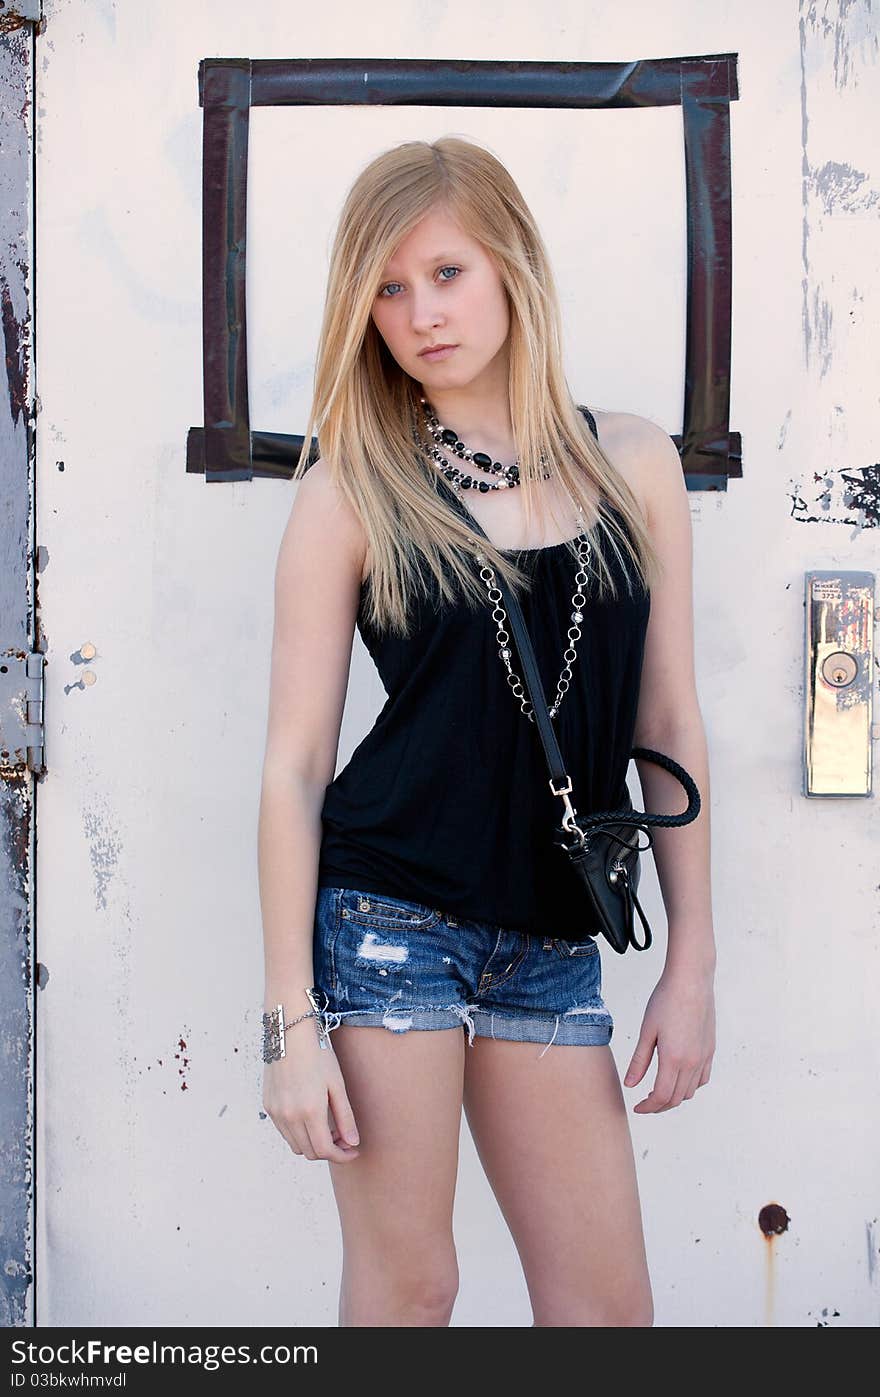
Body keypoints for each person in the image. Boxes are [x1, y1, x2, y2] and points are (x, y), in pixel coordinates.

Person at [258, 135, 716, 1328]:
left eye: (446, 273)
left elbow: (665, 719)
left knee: (604, 1312)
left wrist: (693, 963)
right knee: (413, 1293)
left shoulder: (632, 462)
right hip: (391, 921)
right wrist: (289, 1024)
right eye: (389, 289)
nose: (420, 313)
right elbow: (295, 764)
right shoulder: (352, 488)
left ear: (512, 263)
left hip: (553, 936)